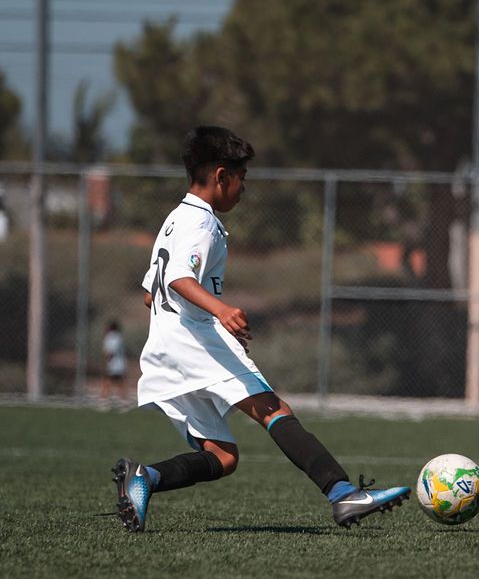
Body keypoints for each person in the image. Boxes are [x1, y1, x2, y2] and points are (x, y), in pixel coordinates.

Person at [111, 126, 409, 534]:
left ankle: (145, 478)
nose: (243, 188)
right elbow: (179, 276)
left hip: (166, 344)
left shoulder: (173, 220)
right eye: (241, 178)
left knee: (223, 456)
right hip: (198, 341)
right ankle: (343, 494)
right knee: (275, 411)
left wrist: (191, 308)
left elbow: (151, 293)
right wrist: (221, 309)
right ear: (220, 176)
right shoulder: (203, 223)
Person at [100, 319, 128, 403]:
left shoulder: (112, 337)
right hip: (118, 364)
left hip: (113, 364)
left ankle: (104, 400)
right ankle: (123, 400)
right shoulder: (118, 337)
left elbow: (110, 351)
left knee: (108, 382)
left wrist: (105, 361)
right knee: (118, 383)